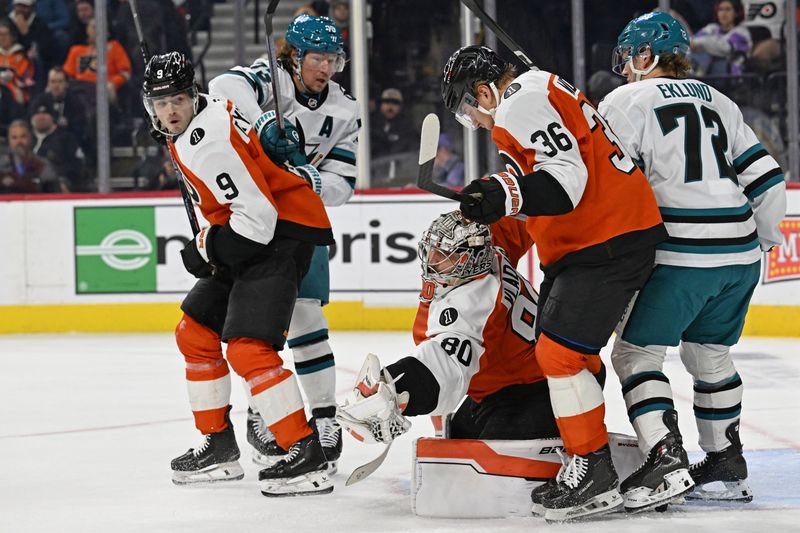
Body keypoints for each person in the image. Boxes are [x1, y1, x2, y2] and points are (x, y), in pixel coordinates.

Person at [439, 45, 667, 522]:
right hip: (603, 236)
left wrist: (503, 191)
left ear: (484, 91)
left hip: (605, 237)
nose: (474, 122)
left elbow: (565, 183)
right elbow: (554, 175)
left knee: (559, 355)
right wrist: (502, 193)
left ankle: (594, 470)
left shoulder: (519, 97)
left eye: (467, 110)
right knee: (565, 352)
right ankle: (597, 458)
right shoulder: (538, 87)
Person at [601, 11, 786, 508]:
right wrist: (762, 240)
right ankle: (726, 462)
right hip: (740, 255)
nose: (625, 67)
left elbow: (609, 184)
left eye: (629, 56)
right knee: (709, 356)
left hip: (679, 254)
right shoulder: (721, 101)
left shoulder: (624, 100)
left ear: (646, 56)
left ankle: (664, 460)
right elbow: (768, 181)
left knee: (635, 355)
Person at [143, 51, 335, 496]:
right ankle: (219, 446)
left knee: (248, 349)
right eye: (160, 102)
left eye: (177, 100)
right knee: (194, 331)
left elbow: (258, 220)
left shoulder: (206, 141)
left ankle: (305, 453)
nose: (169, 111)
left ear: (192, 96)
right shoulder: (200, 117)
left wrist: (206, 248)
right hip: (255, 233)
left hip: (278, 237)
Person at [207, 14, 359, 475]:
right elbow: (221, 86)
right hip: (253, 220)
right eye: (317, 58)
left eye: (332, 59)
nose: (326, 68)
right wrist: (265, 125)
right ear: (293, 56)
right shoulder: (267, 81)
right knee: (259, 330)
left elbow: (344, 181)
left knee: (309, 316)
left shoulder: (345, 108)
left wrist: (314, 183)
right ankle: (263, 412)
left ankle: (325, 417)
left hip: (300, 221)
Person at [29, 101, 85, 190]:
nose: (41, 117)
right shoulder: (26, 138)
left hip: (56, 187)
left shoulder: (66, 139)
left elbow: (77, 167)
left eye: (45, 113)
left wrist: (63, 180)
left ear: (52, 117)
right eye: (37, 113)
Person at [0, 119, 63, 193]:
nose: (19, 141)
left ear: (30, 138)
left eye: (23, 137)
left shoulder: (42, 165)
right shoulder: (1, 166)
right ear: (9, 141)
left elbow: (53, 195)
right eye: (14, 138)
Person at [691, 0, 752, 76]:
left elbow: (726, 48)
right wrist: (697, 44)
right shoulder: (712, 28)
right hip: (709, 76)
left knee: (708, 55)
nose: (723, 13)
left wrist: (701, 44)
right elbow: (691, 43)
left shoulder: (742, 33)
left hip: (731, 77)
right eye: (721, 9)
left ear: (736, 13)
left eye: (728, 9)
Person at [370, 87, 415, 157]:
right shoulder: (371, 125)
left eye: (395, 103)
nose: (390, 107)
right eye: (386, 102)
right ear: (381, 105)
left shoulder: (407, 127)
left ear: (400, 107)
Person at [0, 17, 34, 105]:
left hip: (14, 91)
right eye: (0, 35)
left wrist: (13, 77)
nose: (2, 38)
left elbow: (26, 78)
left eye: (5, 34)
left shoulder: (21, 56)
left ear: (12, 36)